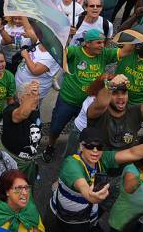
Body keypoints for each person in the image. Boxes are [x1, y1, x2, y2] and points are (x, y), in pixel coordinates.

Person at [45, 29, 120, 162]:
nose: (102, 46)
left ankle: (79, 153)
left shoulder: (105, 54)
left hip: (88, 105)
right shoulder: (75, 51)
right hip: (67, 101)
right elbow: (62, 52)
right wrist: (66, 38)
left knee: (84, 132)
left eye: (103, 43)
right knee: (56, 127)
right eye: (98, 43)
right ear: (87, 44)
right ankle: (50, 146)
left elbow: (125, 51)